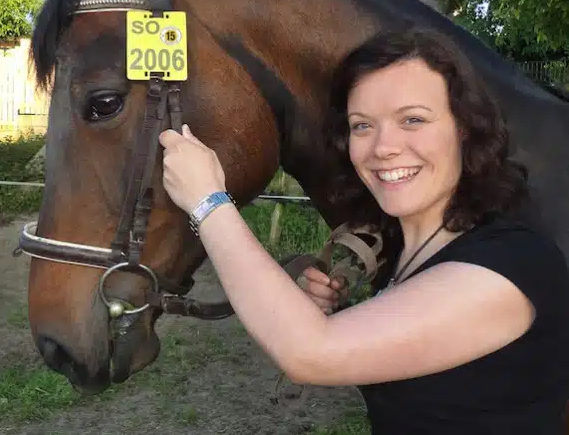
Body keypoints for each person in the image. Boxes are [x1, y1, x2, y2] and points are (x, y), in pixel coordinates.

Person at [159, 28, 569, 434]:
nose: (383, 146)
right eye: (362, 125)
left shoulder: (514, 262)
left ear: (463, 127)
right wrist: (338, 316)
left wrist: (207, 200)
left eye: (413, 119)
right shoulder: (410, 253)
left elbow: (311, 352)